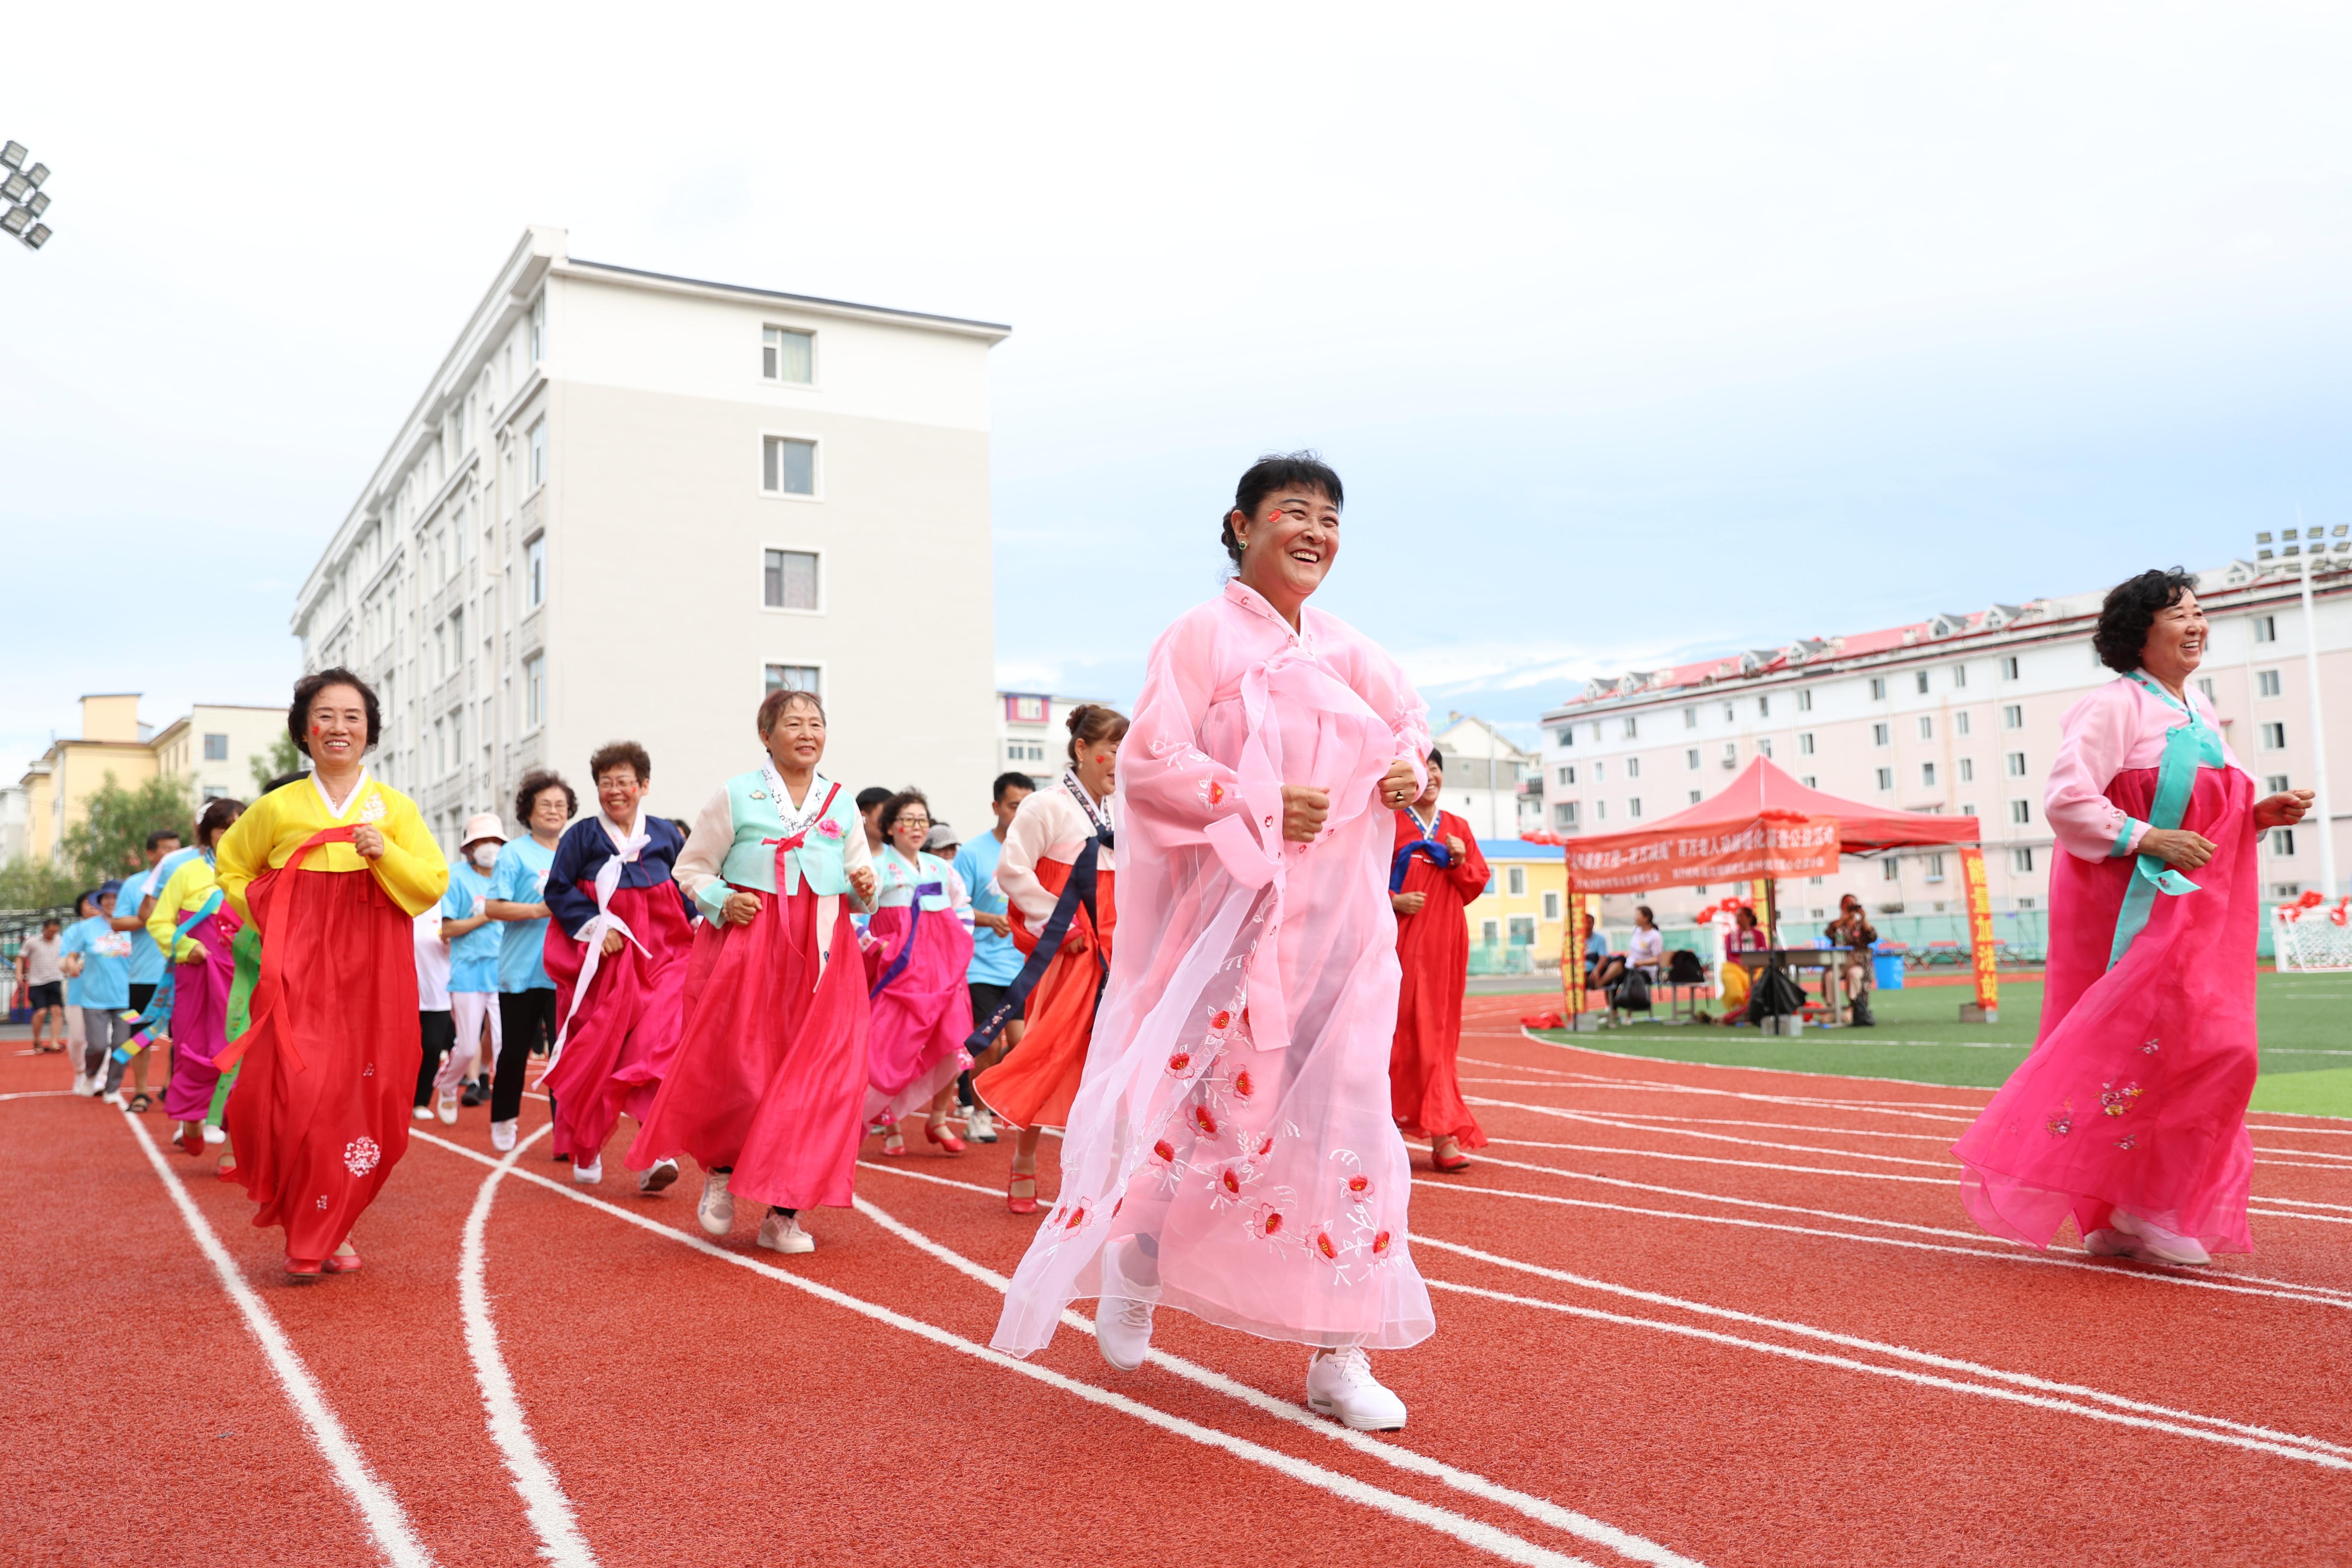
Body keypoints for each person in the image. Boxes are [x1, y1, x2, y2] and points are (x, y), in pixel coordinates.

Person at [992, 452, 1431, 1432]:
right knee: (1209, 1115)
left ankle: (1340, 1353)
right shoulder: (1199, 637)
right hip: (1236, 935)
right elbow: (1152, 764)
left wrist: (1410, 769)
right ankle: (1139, 1261)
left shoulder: (1352, 650)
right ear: (1242, 525)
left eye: (1330, 519)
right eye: (1294, 512)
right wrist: (1260, 799)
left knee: (1352, 1125)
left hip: (1346, 937)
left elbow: (1409, 728)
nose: (1315, 533)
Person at [1955, 569, 2310, 1267]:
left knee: (2204, 1049)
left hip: (2199, 913)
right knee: (2186, 1048)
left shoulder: (2198, 708)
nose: (2197, 625)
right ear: (2138, 633)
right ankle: (2141, 1206)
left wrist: (2258, 815)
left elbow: (2209, 811)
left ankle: (2125, 1210)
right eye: (2180, 614)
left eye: (2200, 612)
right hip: (2133, 912)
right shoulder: (2113, 706)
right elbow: (2067, 800)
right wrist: (2147, 838)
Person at [212, 669, 449, 1280]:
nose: (338, 727)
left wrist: (385, 852)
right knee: (300, 1090)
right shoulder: (276, 807)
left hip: (375, 965)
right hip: (301, 965)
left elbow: (431, 884)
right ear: (304, 730)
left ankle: (335, 1221)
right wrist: (275, 916)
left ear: (369, 731)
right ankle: (311, 1228)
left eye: (352, 716)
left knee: (371, 1095)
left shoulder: (396, 809)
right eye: (325, 715)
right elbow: (232, 868)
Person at [635, 688, 878, 1255]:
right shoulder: (737, 795)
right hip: (750, 945)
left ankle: (783, 1212)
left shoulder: (841, 802)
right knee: (740, 1067)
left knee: (818, 1080)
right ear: (766, 735)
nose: (807, 733)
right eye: (793, 723)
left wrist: (867, 887)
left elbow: (859, 882)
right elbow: (691, 868)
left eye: (816, 723)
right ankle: (722, 1171)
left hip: (824, 953)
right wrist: (724, 899)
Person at [970, 709, 1128, 1211]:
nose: (1120, 761)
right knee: (1051, 1048)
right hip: (1072, 946)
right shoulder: (1046, 806)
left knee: (1117, 1057)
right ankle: (1024, 1158)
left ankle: (1104, 1175)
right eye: (1112, 750)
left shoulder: (1127, 808)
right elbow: (1013, 872)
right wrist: (1061, 926)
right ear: (1082, 749)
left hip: (1121, 944)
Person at [540, 742, 692, 1190]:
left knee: (656, 1045)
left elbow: (686, 885)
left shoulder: (665, 834)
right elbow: (557, 889)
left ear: (644, 786)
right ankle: (587, 1145)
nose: (615, 791)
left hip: (665, 954)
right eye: (606, 783)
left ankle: (654, 1151)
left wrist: (703, 919)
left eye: (624, 781)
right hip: (608, 962)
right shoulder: (582, 837)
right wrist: (593, 925)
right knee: (597, 1054)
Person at [1387, 750, 1490, 1173]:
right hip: (1398, 943)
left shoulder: (1458, 827)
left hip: (1445, 944)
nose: (1429, 777)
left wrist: (1461, 862)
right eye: (1421, 769)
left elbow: (1474, 886)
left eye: (1435, 769)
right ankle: (1385, 1131)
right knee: (1397, 1034)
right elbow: (1360, 879)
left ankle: (1443, 1134)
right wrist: (1392, 901)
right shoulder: (1388, 822)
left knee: (1440, 1035)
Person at [862, 790, 976, 1155]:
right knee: (893, 1046)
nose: (917, 827)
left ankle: (938, 1118)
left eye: (922, 820)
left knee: (954, 1040)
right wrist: (878, 946)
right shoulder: (876, 867)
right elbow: (854, 915)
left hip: (944, 974)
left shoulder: (940, 868)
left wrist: (958, 944)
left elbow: (962, 908)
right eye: (908, 820)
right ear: (890, 827)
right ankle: (889, 1122)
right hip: (898, 973)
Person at [147, 797, 248, 1156]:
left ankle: (233, 1150)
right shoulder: (187, 873)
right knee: (195, 1051)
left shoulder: (260, 872)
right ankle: (191, 1119)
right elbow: (159, 922)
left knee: (244, 1054)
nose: (231, 834)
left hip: (245, 978)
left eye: (239, 826)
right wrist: (186, 947)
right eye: (223, 828)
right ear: (208, 834)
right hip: (198, 978)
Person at [484, 771, 576, 1154]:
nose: (554, 811)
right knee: (515, 1051)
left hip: (565, 973)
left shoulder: (575, 852)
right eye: (546, 805)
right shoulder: (514, 853)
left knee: (565, 1055)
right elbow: (493, 907)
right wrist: (541, 909)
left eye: (560, 805)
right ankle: (505, 1117)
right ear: (528, 811)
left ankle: (566, 1133)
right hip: (521, 971)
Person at [954, 772, 1036, 1147]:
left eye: (1027, 807)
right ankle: (978, 1113)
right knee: (986, 1044)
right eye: (1014, 806)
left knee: (1021, 1045)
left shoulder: (1036, 852)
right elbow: (954, 907)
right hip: (981, 966)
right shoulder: (973, 853)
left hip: (1021, 967)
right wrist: (990, 920)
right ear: (996, 807)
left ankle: (991, 1097)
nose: (1020, 814)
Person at [430, 814, 506, 1122]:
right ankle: (448, 1086)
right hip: (468, 973)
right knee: (465, 1048)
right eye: (483, 841)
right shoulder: (456, 876)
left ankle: (502, 1109)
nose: (490, 847)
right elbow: (448, 929)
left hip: (504, 972)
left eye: (495, 841)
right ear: (470, 847)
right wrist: (487, 915)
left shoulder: (508, 875)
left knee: (503, 1045)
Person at [61, 890, 135, 1099]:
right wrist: (72, 965)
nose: (111, 902)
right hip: (88, 997)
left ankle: (109, 1085)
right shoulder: (82, 929)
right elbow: (69, 958)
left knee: (121, 1044)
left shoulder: (132, 926)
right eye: (106, 899)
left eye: (116, 898)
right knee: (91, 1043)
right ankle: (86, 1074)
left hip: (125, 998)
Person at [111, 830, 186, 1028]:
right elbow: (117, 923)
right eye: (167, 849)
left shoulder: (191, 881)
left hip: (184, 972)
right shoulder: (134, 884)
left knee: (181, 1034)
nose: (174, 854)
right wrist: (155, 919)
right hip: (145, 976)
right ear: (150, 854)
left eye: (178, 849)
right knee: (139, 1036)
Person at [413, 899, 456, 1123]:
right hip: (407, 994)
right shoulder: (407, 906)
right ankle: (398, 1098)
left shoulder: (447, 909)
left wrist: (450, 940)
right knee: (404, 1050)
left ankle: (421, 1101)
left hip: (438, 995)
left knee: (432, 1047)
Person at [1825, 895, 1877, 1026]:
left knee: (1854, 974)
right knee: (1830, 976)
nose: (1849, 907)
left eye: (1852, 904)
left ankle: (1853, 1008)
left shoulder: (1861, 925)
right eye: (1847, 904)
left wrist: (1864, 918)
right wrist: (1844, 919)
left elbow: (1873, 937)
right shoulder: (1837, 925)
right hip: (1840, 963)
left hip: (1858, 963)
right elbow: (1829, 933)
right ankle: (1832, 1009)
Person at [18, 918, 65, 1057]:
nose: (53, 934)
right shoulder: (32, 942)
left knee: (57, 1011)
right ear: (44, 929)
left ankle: (54, 1042)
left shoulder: (61, 941)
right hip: (37, 982)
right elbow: (20, 958)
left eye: (55, 931)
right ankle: (37, 1040)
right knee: (41, 1012)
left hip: (55, 979)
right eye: (50, 931)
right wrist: (19, 975)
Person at [1714, 905, 1766, 1023]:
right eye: (1737, 916)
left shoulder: (1759, 935)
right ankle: (1739, 1010)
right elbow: (1729, 956)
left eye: (1741, 916)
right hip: (1737, 968)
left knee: (1765, 976)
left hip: (1757, 968)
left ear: (1749, 919)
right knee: (1730, 976)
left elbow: (1764, 952)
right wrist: (1743, 964)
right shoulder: (1730, 936)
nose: (1738, 918)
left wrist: (1754, 966)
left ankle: (1756, 1008)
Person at [857, 786, 894, 858]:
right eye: (884, 818)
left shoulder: (897, 856)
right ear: (863, 817)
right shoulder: (848, 856)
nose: (889, 824)